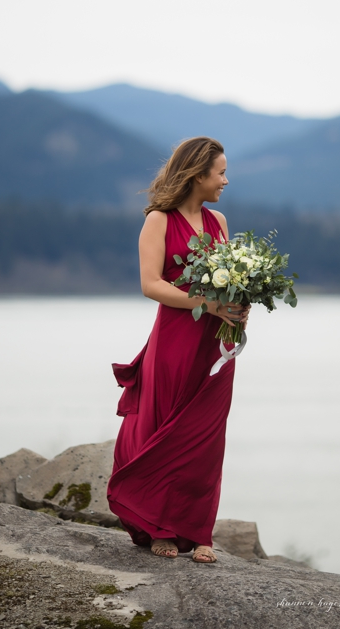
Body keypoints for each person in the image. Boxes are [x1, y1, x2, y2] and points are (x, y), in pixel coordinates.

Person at [107, 136, 251, 564]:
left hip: (216, 344)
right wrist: (207, 303)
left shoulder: (218, 221)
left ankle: (199, 530)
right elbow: (150, 284)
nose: (226, 180)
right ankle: (160, 527)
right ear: (197, 174)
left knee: (207, 438)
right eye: (220, 172)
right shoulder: (159, 220)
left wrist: (239, 306)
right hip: (175, 341)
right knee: (167, 428)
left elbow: (230, 281)